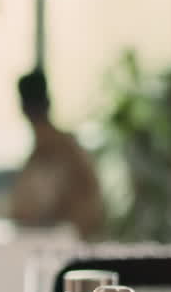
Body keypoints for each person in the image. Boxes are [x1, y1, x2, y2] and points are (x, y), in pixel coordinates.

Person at [7, 69, 106, 238]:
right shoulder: (66, 145)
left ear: (22, 108)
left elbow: (27, 209)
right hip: (72, 238)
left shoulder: (52, 150)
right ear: (49, 102)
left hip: (71, 241)